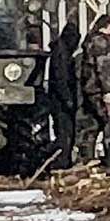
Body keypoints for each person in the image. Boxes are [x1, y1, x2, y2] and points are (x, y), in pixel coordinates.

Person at [78, 15, 110, 168]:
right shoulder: (102, 42)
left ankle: (87, 158)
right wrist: (107, 91)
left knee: (92, 123)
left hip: (89, 88)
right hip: (99, 89)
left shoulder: (89, 41)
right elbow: (104, 68)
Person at [48, 22, 80, 169]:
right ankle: (62, 161)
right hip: (60, 100)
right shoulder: (61, 53)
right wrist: (67, 98)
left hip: (62, 98)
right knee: (64, 132)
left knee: (66, 131)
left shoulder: (63, 50)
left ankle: (64, 160)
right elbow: (60, 77)